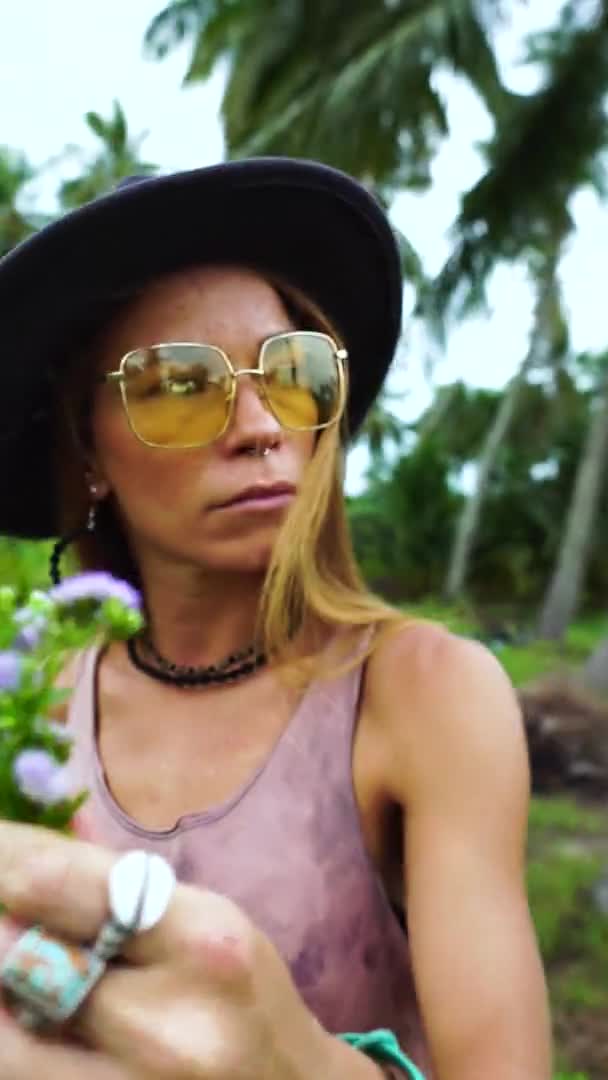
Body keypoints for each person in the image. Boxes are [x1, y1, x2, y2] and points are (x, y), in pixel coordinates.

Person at [0, 158, 552, 1079]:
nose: (259, 424)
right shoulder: (40, 711)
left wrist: (300, 1060)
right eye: (179, 385)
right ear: (84, 446)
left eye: (290, 373)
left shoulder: (424, 695)